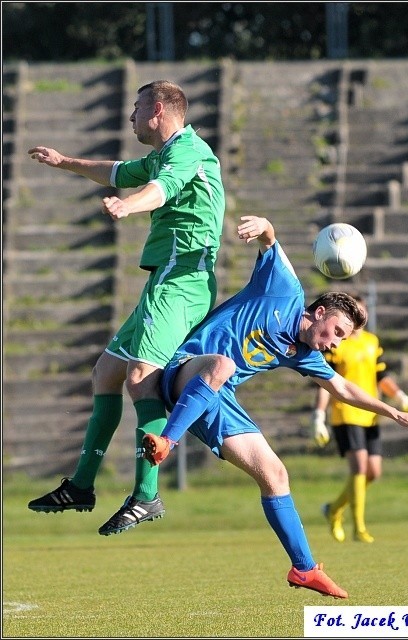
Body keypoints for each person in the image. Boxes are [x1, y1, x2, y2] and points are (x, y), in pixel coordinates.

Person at [141, 215, 408, 599]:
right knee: (223, 365)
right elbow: (269, 240)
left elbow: (343, 388)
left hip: (216, 398)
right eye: (337, 333)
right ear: (318, 313)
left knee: (276, 475)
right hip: (183, 371)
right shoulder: (284, 289)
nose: (335, 344)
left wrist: (394, 412)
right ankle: (167, 442)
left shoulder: (303, 353)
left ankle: (304, 568)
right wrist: (264, 225)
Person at [27, 80, 226, 536]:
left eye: (136, 108)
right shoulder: (165, 153)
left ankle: (146, 495)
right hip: (165, 278)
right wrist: (65, 162)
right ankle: (81, 485)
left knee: (140, 377)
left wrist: (128, 208)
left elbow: (159, 190)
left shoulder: (187, 152)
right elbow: (118, 171)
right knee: (107, 373)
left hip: (182, 278)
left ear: (157, 109)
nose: (130, 116)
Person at [310, 295, 408, 544]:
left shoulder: (372, 342)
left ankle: (334, 509)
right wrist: (318, 416)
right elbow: (326, 382)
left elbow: (382, 376)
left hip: (371, 415)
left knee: (374, 472)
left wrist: (400, 396)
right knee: (358, 467)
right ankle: (359, 528)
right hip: (346, 412)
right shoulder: (338, 343)